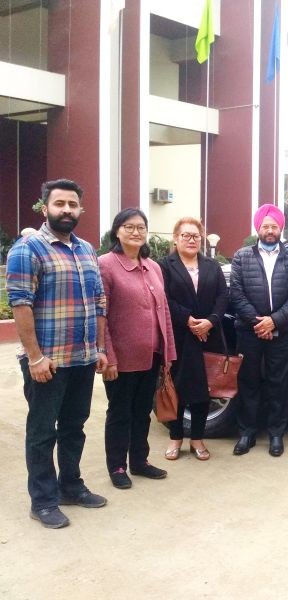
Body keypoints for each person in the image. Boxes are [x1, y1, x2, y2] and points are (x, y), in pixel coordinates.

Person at [6, 178, 108, 529]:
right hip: (47, 362)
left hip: (81, 359)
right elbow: (20, 303)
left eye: (72, 204)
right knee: (41, 431)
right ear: (45, 207)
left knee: (74, 427)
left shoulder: (86, 249)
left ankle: (71, 486)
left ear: (81, 209)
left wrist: (99, 349)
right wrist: (34, 357)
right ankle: (43, 500)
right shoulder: (28, 248)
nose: (66, 210)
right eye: (59, 203)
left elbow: (98, 302)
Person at [99, 208, 176, 489]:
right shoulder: (106, 265)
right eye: (129, 227)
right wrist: (107, 355)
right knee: (120, 412)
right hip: (121, 358)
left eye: (141, 227)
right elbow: (101, 315)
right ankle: (117, 466)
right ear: (117, 231)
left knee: (143, 411)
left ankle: (139, 461)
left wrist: (168, 352)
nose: (136, 232)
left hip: (152, 355)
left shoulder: (153, 267)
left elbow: (164, 311)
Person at [229, 204, 288, 457]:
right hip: (249, 331)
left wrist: (274, 321)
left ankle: (275, 434)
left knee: (277, 382)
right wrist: (258, 322)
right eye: (265, 226)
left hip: (281, 331)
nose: (270, 231)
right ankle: (247, 432)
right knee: (248, 381)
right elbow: (236, 294)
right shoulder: (242, 257)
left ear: (281, 228)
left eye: (274, 226)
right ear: (258, 228)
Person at [159, 217, 228, 461]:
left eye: (195, 236)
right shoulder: (164, 266)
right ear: (175, 239)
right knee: (176, 389)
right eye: (185, 235)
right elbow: (163, 299)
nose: (191, 240)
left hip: (207, 336)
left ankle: (197, 439)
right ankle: (176, 438)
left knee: (203, 391)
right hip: (179, 336)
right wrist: (188, 320)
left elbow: (223, 296)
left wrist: (210, 320)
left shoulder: (212, 265)